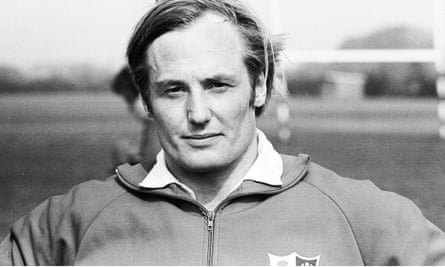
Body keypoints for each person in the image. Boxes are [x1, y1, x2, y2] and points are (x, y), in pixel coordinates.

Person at [1, 0, 445, 265]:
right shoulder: (69, 224)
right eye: (174, 90)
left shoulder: (363, 217)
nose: (197, 113)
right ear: (146, 99)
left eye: (217, 85)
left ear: (259, 86)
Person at [110, 66, 160, 166]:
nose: (129, 108)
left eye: (128, 98)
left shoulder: (143, 108)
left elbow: (154, 131)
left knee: (121, 148)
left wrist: (125, 163)